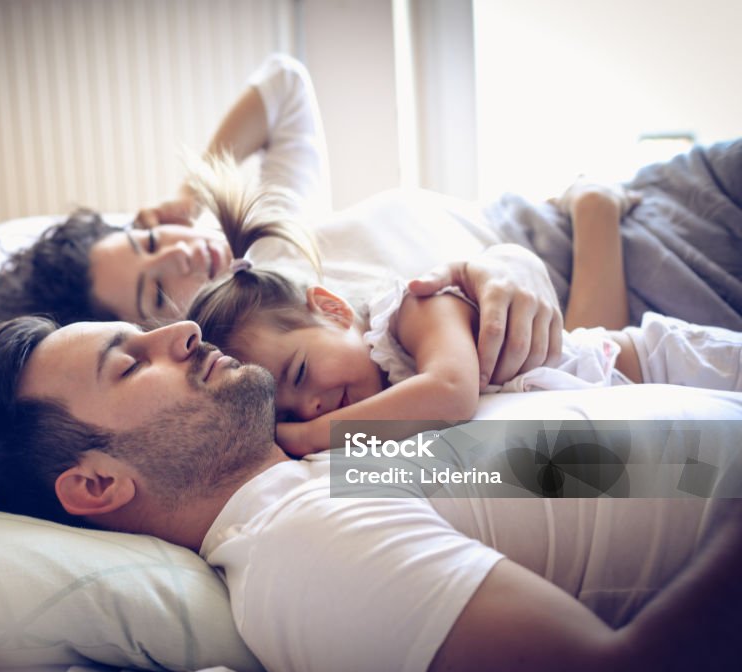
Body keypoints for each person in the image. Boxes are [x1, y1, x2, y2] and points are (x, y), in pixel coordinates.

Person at [0, 314, 742, 672]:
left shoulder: (326, 458)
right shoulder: (302, 547)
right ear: (96, 484)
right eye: (131, 363)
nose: (181, 329)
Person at [0, 54, 568, 389]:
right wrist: (590, 226)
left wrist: (185, 197)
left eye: (148, 240)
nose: (177, 255)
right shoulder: (280, 365)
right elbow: (574, 355)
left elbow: (286, 85)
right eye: (155, 288)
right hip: (598, 267)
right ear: (165, 339)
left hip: (558, 217)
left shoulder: (274, 247)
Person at [185, 158, 742, 455]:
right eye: (286, 413)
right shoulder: (379, 408)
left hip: (659, 362)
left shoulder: (410, 310)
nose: (308, 408)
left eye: (300, 373)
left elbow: (452, 393)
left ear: (331, 309)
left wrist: (305, 439)